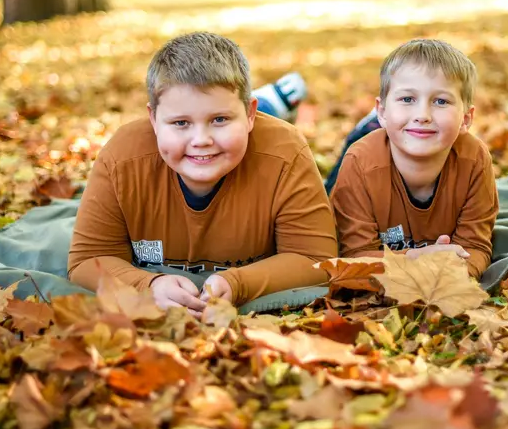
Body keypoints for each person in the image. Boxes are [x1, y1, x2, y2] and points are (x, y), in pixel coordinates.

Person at [68, 32, 337, 316]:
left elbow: (316, 259)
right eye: (181, 122)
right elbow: (88, 260)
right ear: (153, 120)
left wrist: (239, 283)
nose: (201, 139)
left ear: (249, 115)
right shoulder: (122, 158)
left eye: (219, 119)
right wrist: (147, 285)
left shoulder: (287, 153)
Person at [329, 38, 498, 278]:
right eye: (408, 99)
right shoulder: (359, 162)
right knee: (340, 172)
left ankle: (394, 118)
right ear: (382, 111)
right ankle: (369, 126)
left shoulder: (475, 160)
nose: (423, 115)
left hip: (396, 137)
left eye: (441, 101)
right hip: (369, 159)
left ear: (466, 119)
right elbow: (355, 254)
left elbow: (476, 247)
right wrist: (415, 260)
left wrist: (456, 274)